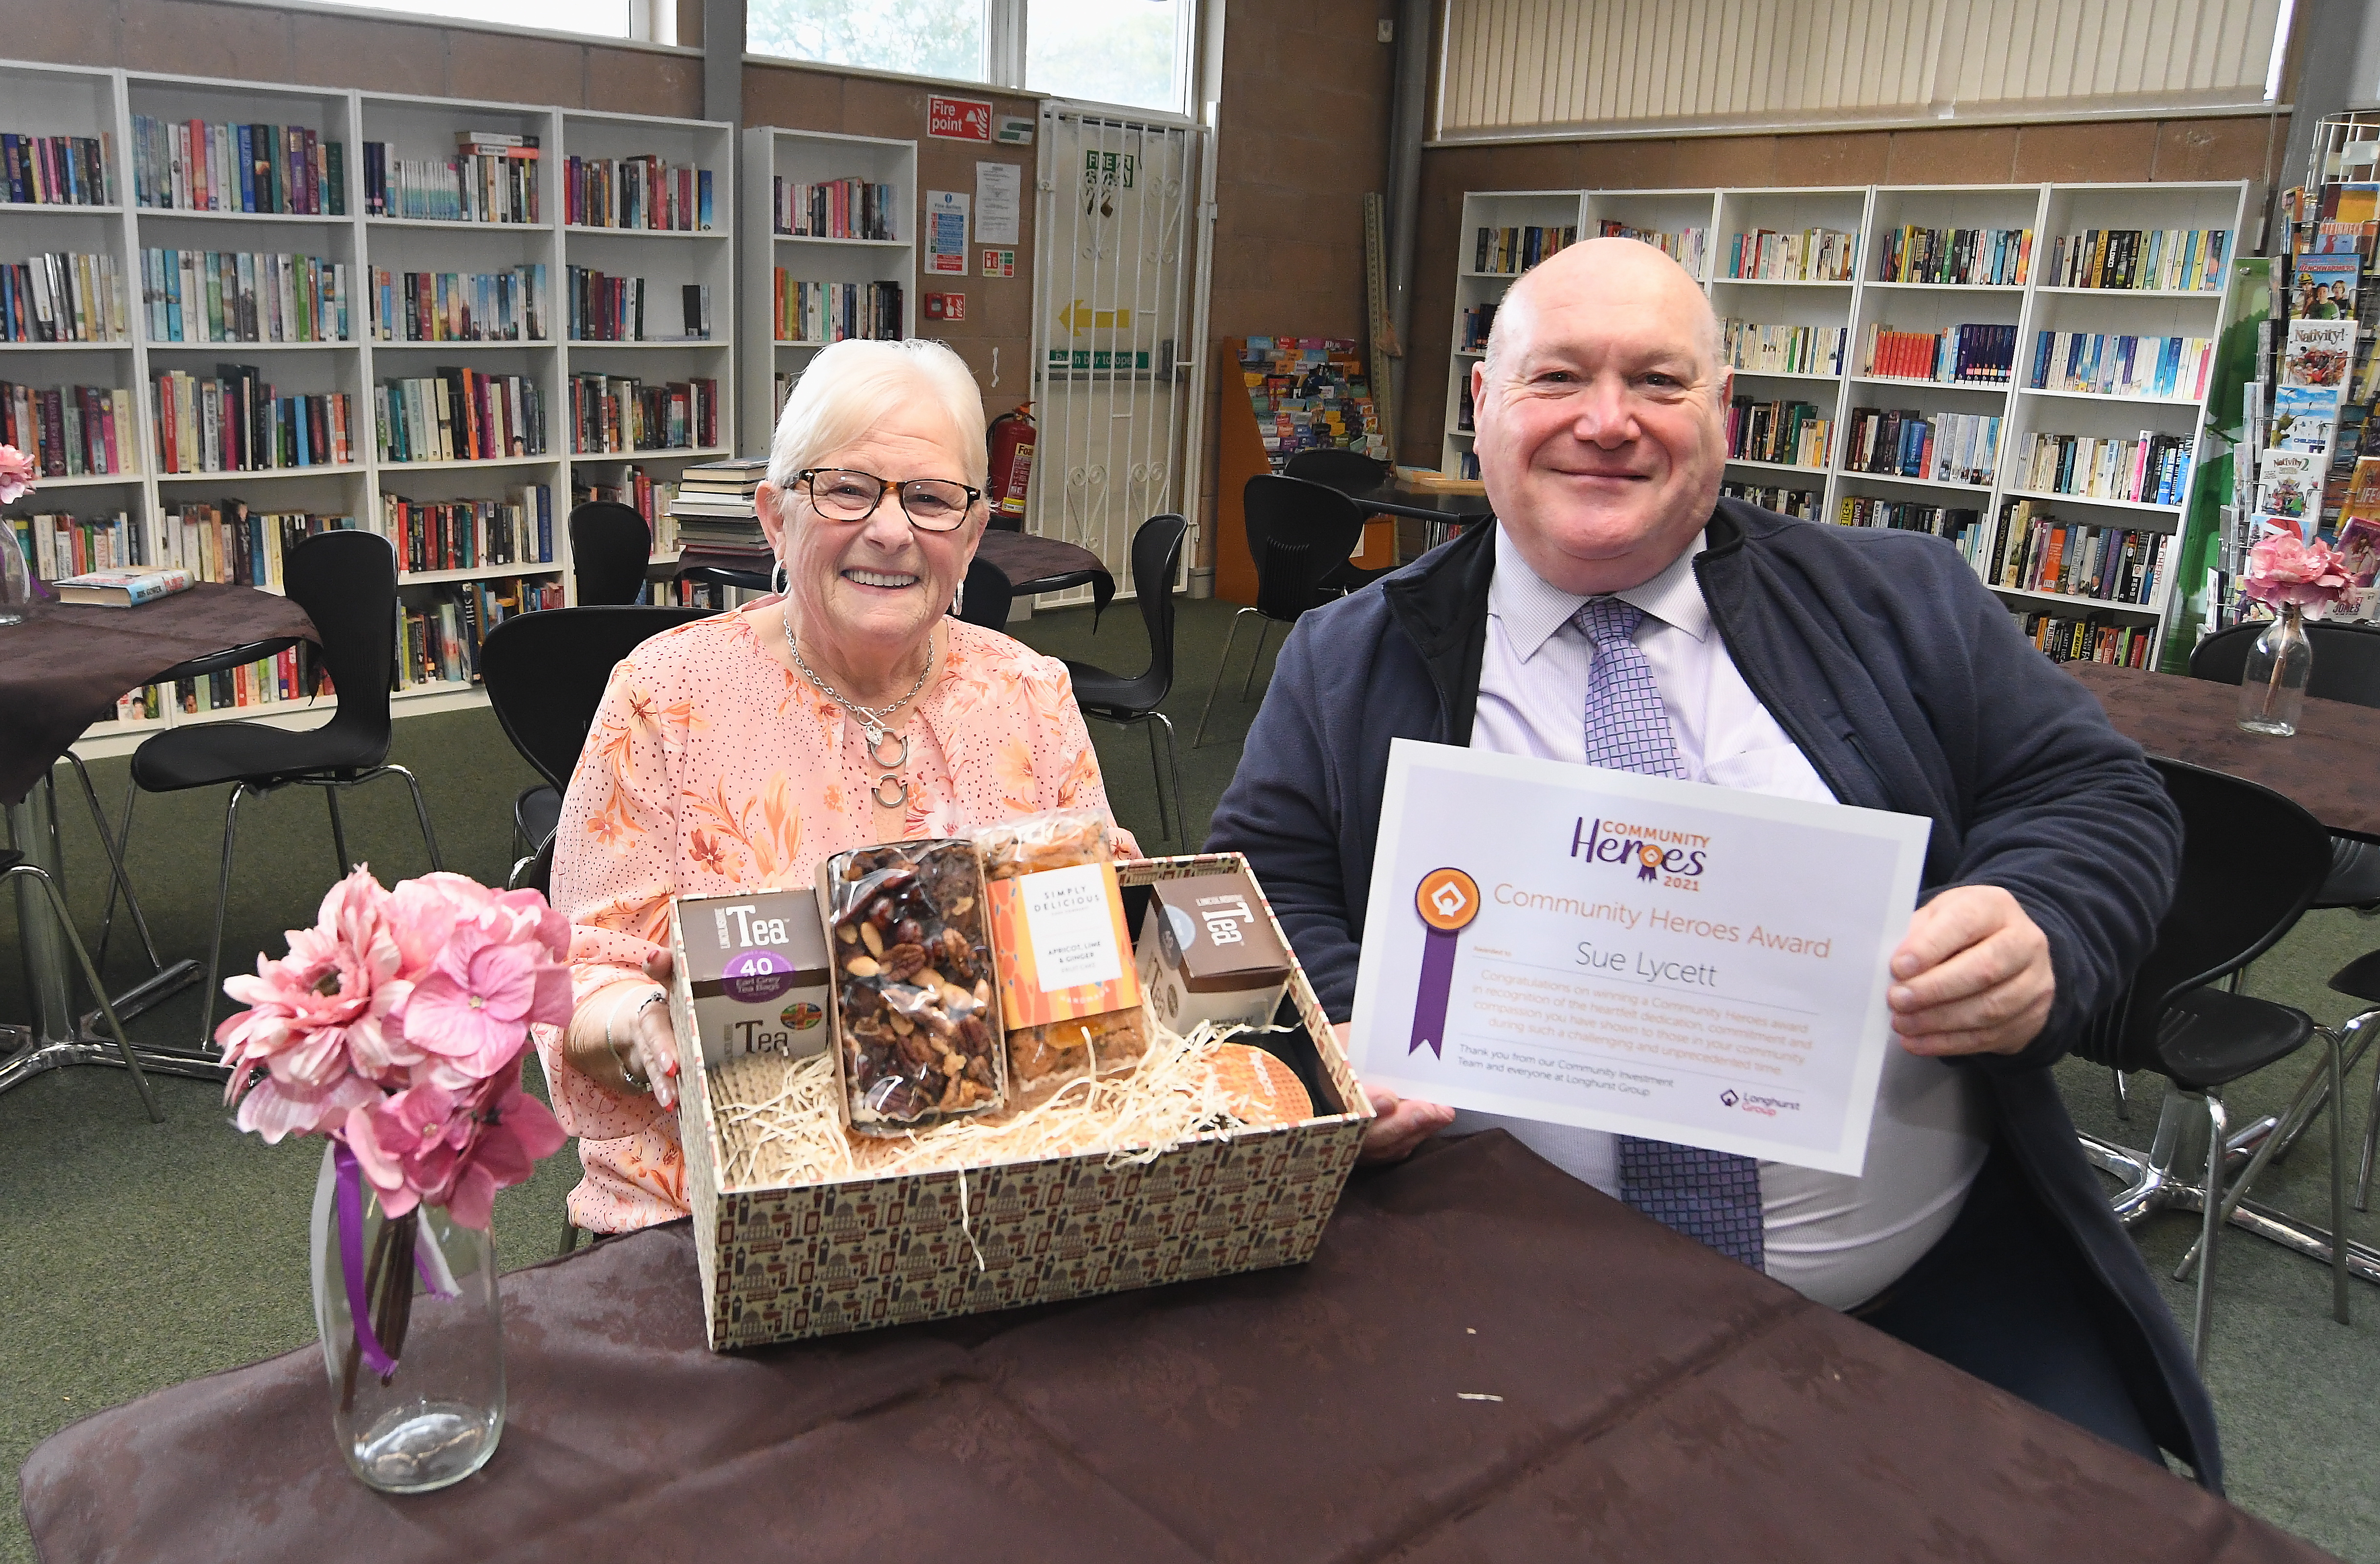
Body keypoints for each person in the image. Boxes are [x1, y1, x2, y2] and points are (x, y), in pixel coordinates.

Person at [1205, 238, 2220, 1487]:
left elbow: (2093, 791)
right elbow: (1257, 884)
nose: (1607, 421)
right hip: (1486, 1297)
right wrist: (1341, 1025)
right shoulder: (1346, 654)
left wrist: (2042, 920)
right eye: (1558, 378)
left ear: (1723, 415)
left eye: (1659, 382)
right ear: (1481, 406)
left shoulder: (1899, 598)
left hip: (1930, 1291)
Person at [542, 337, 1135, 1232]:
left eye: (932, 500)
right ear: (776, 517)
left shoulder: (1029, 696)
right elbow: (583, 971)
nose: (891, 531)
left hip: (991, 1191)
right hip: (725, 1209)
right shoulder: (665, 698)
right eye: (847, 489)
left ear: (972, 537)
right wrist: (639, 1023)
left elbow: (1096, 931)